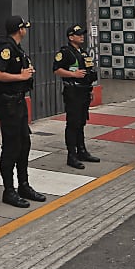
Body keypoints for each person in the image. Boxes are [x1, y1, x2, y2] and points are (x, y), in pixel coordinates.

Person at [0, 15, 46, 207]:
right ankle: (9, 190)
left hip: (19, 102)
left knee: (24, 144)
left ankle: (24, 185)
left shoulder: (17, 48)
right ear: (19, 29)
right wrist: (20, 76)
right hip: (9, 104)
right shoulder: (6, 48)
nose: (26, 31)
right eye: (24, 28)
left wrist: (27, 73)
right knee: (11, 147)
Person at [53, 23, 100, 168]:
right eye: (78, 35)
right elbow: (56, 70)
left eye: (82, 34)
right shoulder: (65, 52)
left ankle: (82, 151)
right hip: (73, 92)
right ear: (71, 37)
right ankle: (71, 155)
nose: (82, 37)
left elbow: (88, 72)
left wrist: (91, 89)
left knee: (81, 123)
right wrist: (73, 74)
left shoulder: (83, 52)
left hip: (84, 91)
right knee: (73, 124)